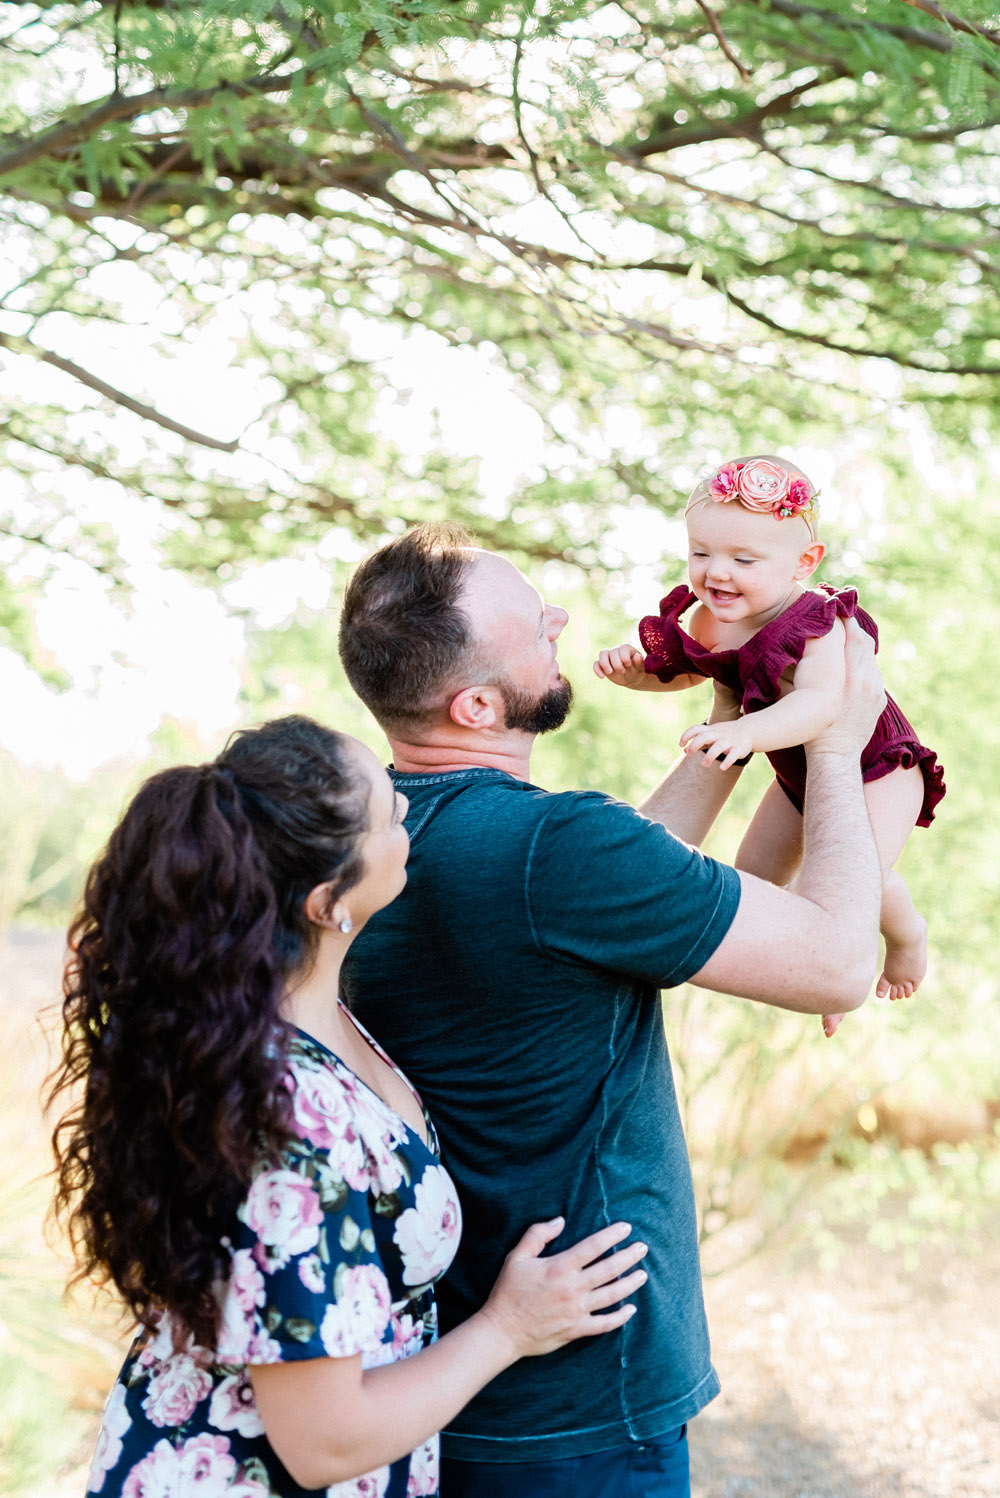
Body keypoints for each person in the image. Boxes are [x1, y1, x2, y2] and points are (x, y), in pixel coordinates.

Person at [336, 521, 887, 1498]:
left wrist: (732, 705)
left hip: (439, 1386)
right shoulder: (552, 851)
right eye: (525, 619)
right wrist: (836, 743)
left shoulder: (365, 834)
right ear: (474, 701)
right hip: (582, 1407)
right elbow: (841, 963)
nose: (555, 615)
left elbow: (602, 889)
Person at [49, 715, 650, 1498]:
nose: (407, 807)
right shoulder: (286, 1114)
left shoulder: (304, 1018)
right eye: (386, 809)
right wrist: (510, 1328)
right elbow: (324, 1442)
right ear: (328, 898)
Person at [594, 454, 944, 1036]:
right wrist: (640, 675)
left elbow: (821, 706)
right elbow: (691, 670)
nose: (717, 573)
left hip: (876, 764)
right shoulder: (711, 618)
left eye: (743, 559)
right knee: (752, 877)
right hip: (799, 769)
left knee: (853, 878)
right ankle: (806, 965)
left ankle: (899, 938)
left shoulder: (817, 622)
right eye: (701, 553)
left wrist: (744, 732)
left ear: (803, 563)